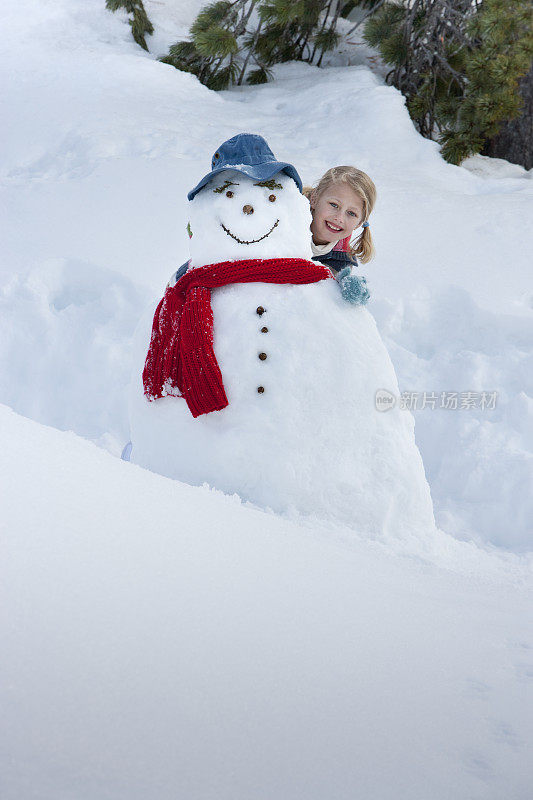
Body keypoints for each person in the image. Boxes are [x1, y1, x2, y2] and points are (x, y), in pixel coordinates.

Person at [303, 165, 377, 305]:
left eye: (351, 213)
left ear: (359, 223)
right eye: (334, 205)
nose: (339, 218)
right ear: (314, 199)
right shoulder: (283, 222)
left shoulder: (341, 262)